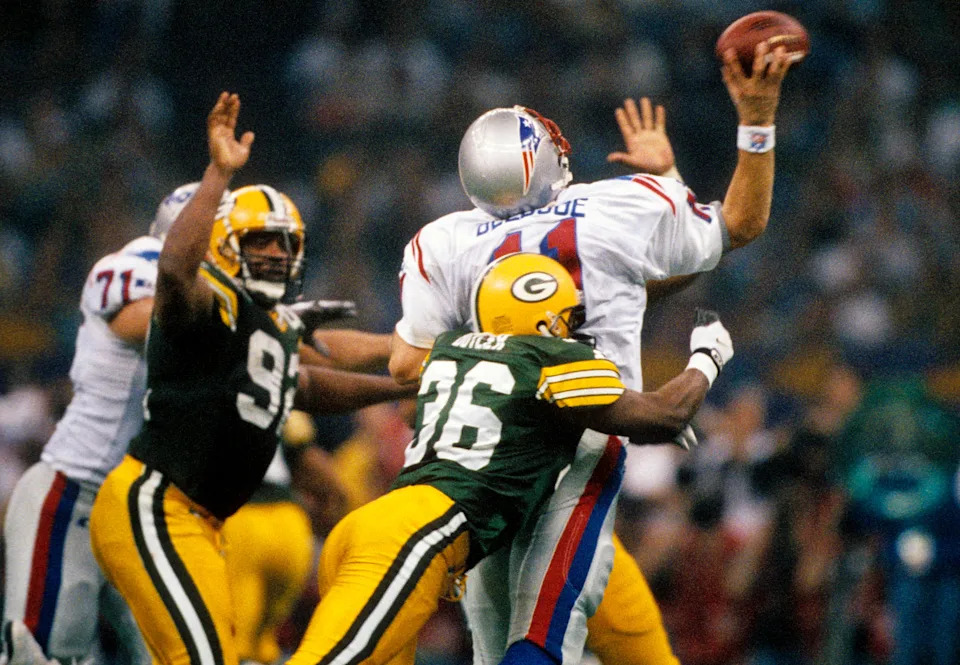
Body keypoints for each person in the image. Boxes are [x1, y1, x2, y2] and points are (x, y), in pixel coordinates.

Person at [388, 44, 794, 665]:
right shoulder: (617, 204)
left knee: (494, 649)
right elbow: (740, 223)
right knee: (544, 633)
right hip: (586, 433)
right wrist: (755, 122)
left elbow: (406, 365)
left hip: (486, 453)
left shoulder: (442, 241)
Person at [88, 92, 415, 665]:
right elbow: (174, 271)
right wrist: (218, 173)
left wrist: (405, 382)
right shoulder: (207, 301)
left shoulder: (268, 322)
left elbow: (306, 386)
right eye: (259, 240)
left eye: (285, 243)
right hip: (156, 504)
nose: (274, 254)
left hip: (204, 521)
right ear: (224, 246)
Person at [285, 252, 732, 665]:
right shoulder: (551, 358)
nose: (573, 328)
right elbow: (666, 413)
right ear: (543, 318)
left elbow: (389, 389)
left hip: (375, 527)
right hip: (415, 542)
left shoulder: (451, 348)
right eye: (567, 317)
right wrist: (707, 357)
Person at [0, 181, 212, 665]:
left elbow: (298, 369)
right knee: (43, 656)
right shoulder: (136, 267)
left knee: (180, 655)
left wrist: (384, 358)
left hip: (147, 509)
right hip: (77, 492)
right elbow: (153, 321)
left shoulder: (231, 308)